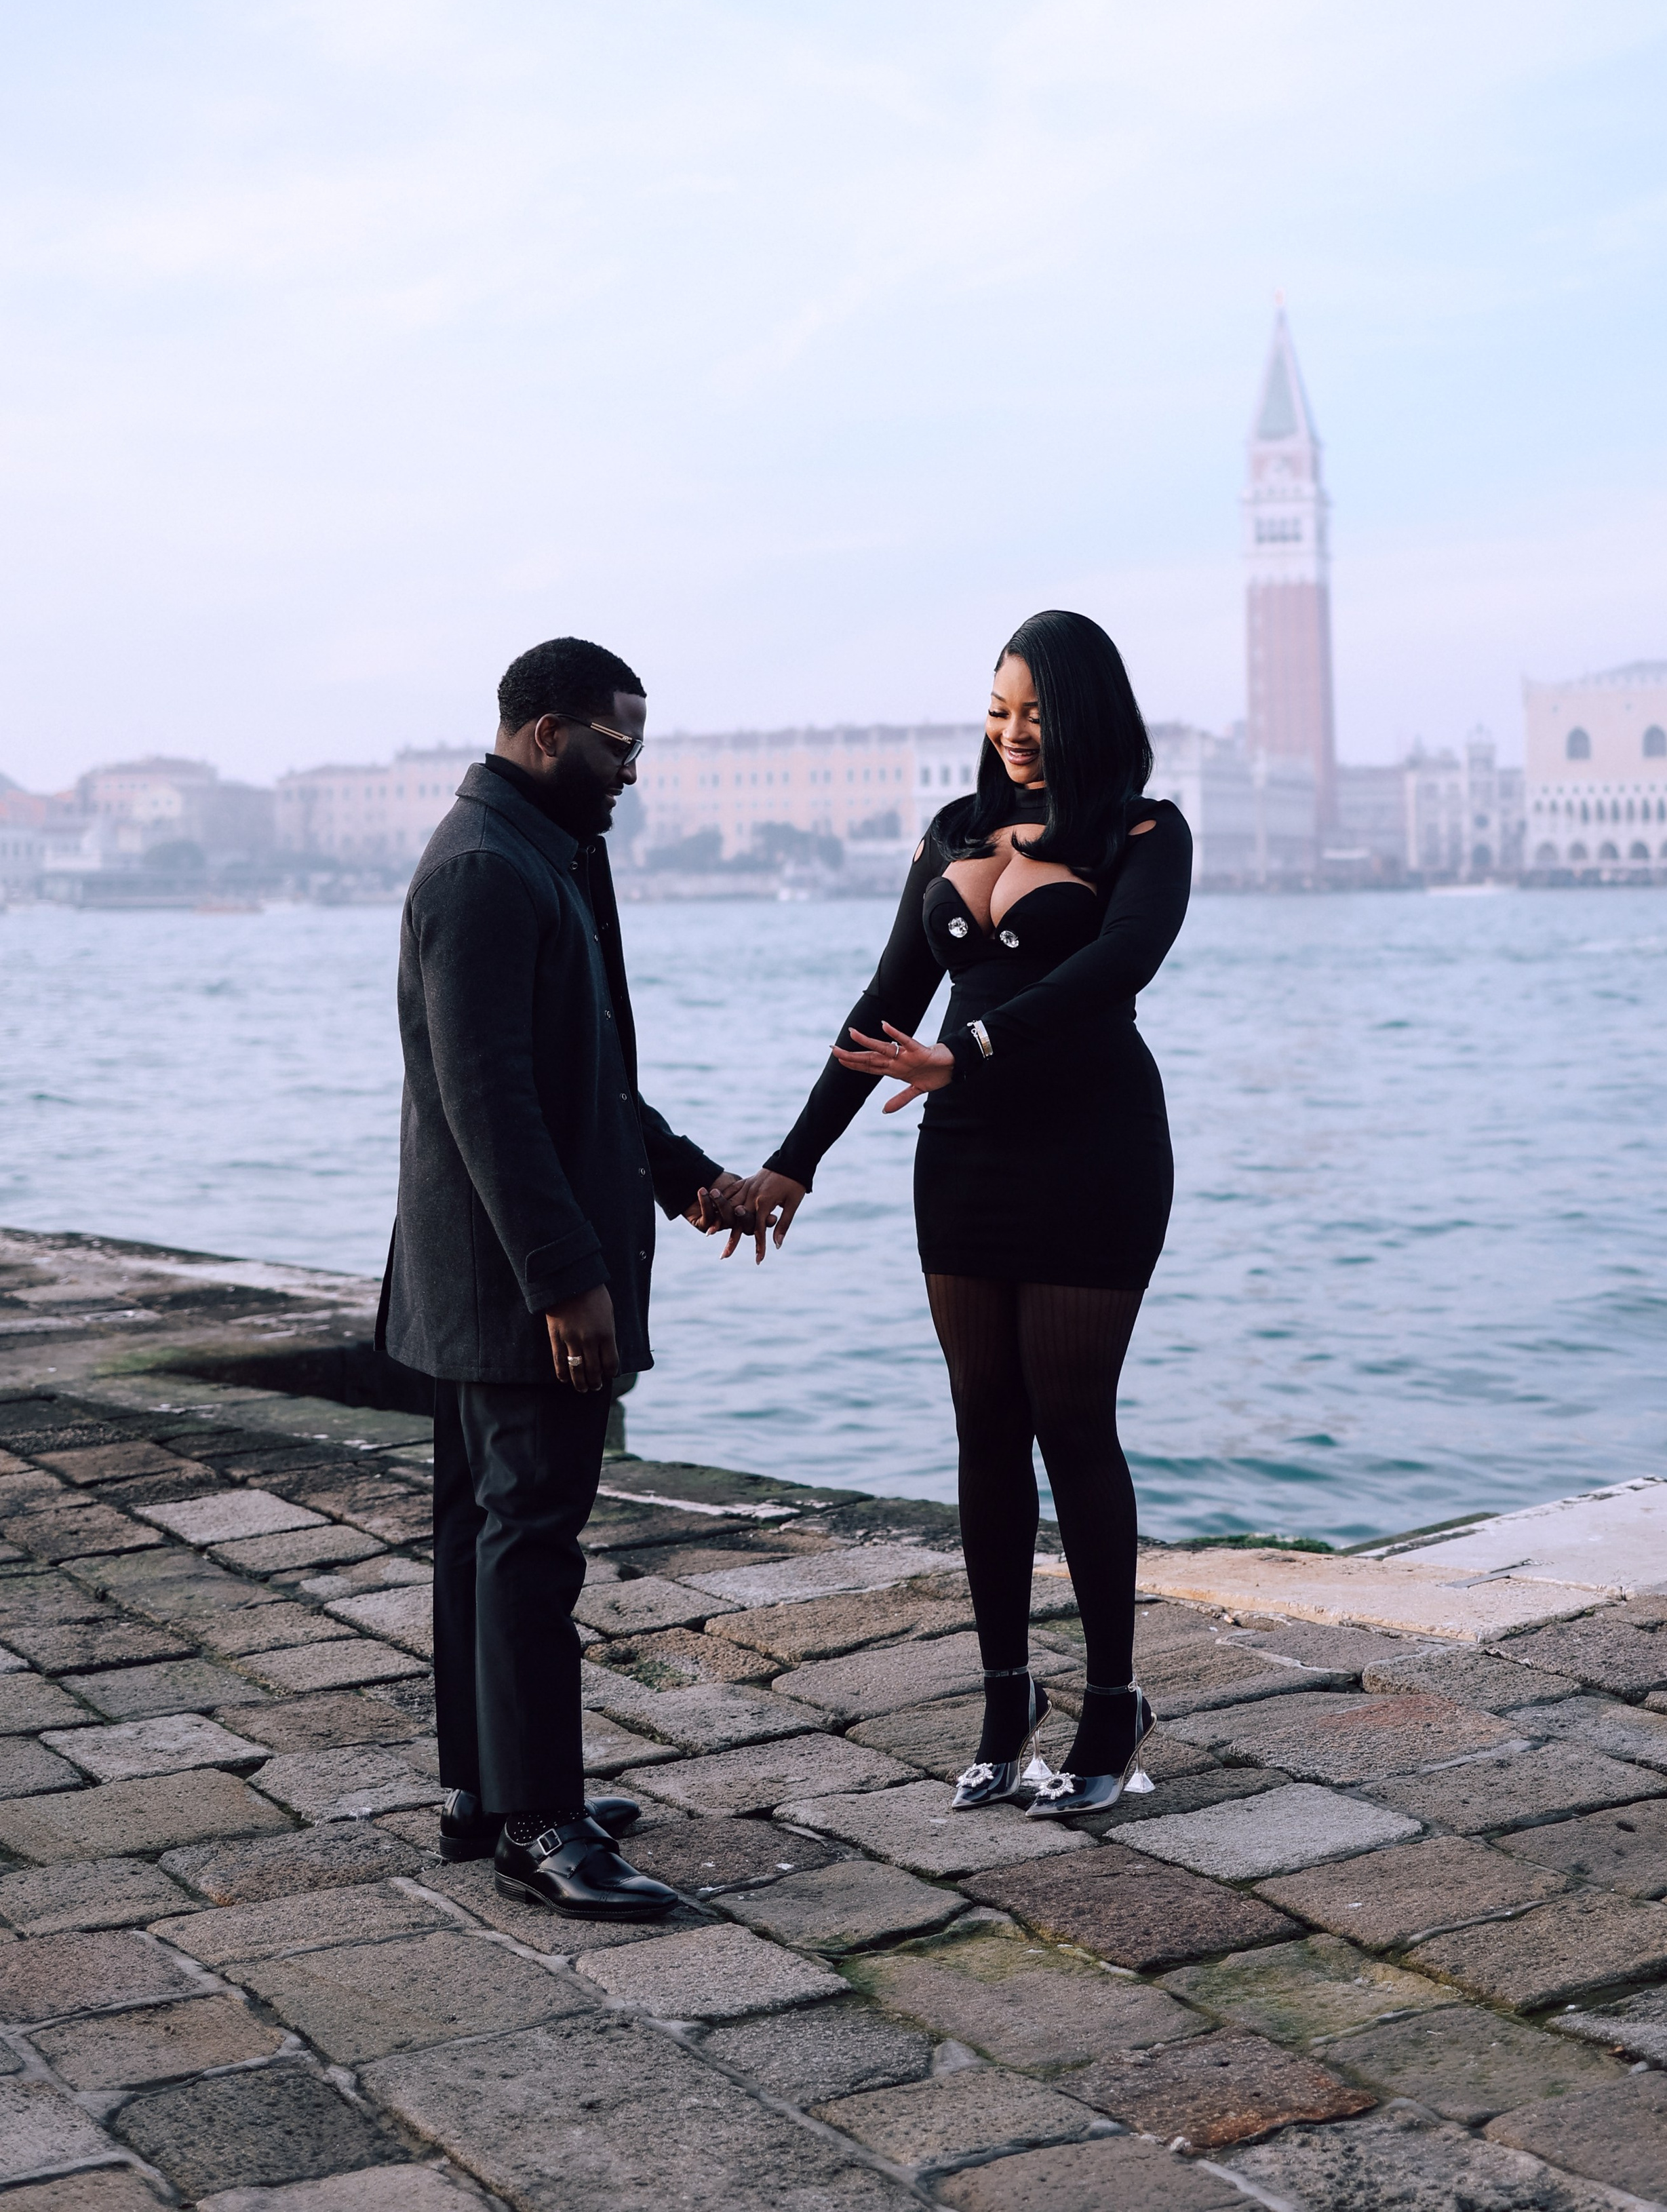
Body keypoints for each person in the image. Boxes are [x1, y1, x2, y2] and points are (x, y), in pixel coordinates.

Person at [722, 611, 1191, 1818]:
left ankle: (1111, 1709)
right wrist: (795, 1163)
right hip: (965, 1150)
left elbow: (1116, 968)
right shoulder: (953, 832)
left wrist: (969, 1047)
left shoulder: (1148, 834)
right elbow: (887, 1004)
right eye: (998, 711)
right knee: (986, 1421)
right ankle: (1002, 1702)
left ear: (1089, 714)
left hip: (1093, 1143)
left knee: (1073, 1419)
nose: (1014, 735)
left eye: (1037, 713)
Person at [378, 635, 743, 1916]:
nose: (632, 770)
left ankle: (488, 1796)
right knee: (528, 1545)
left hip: (486, 1277)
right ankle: (542, 1827)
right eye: (618, 743)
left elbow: (590, 1074)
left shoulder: (541, 849)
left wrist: (688, 1177)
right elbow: (491, 1101)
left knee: (486, 1537)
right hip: (508, 1283)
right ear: (547, 732)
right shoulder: (487, 868)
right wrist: (564, 1281)